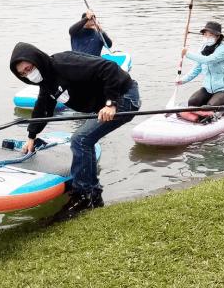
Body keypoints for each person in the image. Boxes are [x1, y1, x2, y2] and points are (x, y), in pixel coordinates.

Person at [10, 42, 141, 218]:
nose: (28, 74)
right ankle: (91, 193)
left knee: (80, 139)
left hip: (124, 97)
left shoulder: (64, 64)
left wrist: (111, 103)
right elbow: (43, 107)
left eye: (29, 68)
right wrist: (32, 136)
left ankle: (86, 197)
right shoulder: (46, 81)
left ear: (37, 60)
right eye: (23, 73)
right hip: (105, 104)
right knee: (83, 139)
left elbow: (109, 68)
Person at [177, 21, 224, 107]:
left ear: (217, 36)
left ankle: (218, 112)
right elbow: (197, 69)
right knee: (192, 102)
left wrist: (187, 54)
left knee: (209, 106)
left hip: (223, 90)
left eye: (210, 35)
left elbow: (208, 60)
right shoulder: (203, 49)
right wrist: (182, 80)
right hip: (207, 89)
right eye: (205, 35)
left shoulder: (223, 50)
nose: (207, 37)